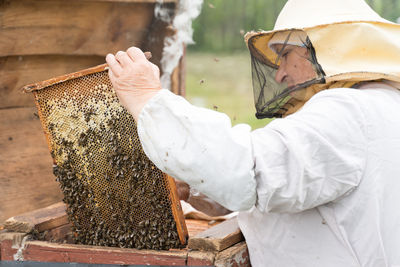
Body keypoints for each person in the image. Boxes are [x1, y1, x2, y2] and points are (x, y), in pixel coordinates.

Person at [105, 0, 400, 265]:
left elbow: (248, 171)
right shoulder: (381, 103)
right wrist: (192, 186)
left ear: (327, 48)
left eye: (285, 55)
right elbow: (294, 182)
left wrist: (145, 96)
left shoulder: (345, 113)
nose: (279, 74)